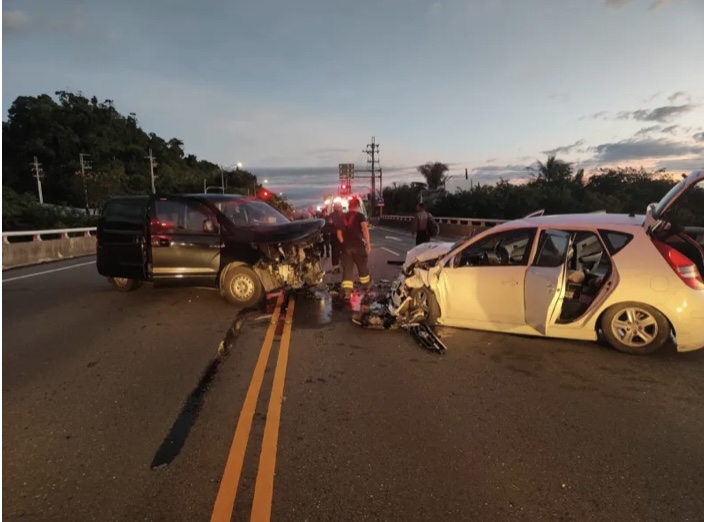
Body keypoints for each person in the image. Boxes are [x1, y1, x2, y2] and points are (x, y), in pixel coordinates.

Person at [337, 198, 371, 299]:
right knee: (362, 266)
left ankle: (347, 291)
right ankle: (366, 285)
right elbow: (364, 229)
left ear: (348, 206)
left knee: (347, 269)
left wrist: (345, 243)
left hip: (346, 247)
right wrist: (368, 243)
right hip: (358, 246)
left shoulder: (342, 216)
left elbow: (339, 234)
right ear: (357, 206)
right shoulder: (360, 216)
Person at [329, 201, 344, 273]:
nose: (338, 208)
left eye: (339, 206)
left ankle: (339, 266)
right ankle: (336, 267)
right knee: (336, 252)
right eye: (337, 207)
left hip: (339, 236)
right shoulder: (332, 215)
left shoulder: (344, 215)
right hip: (335, 236)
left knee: (339, 252)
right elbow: (329, 224)